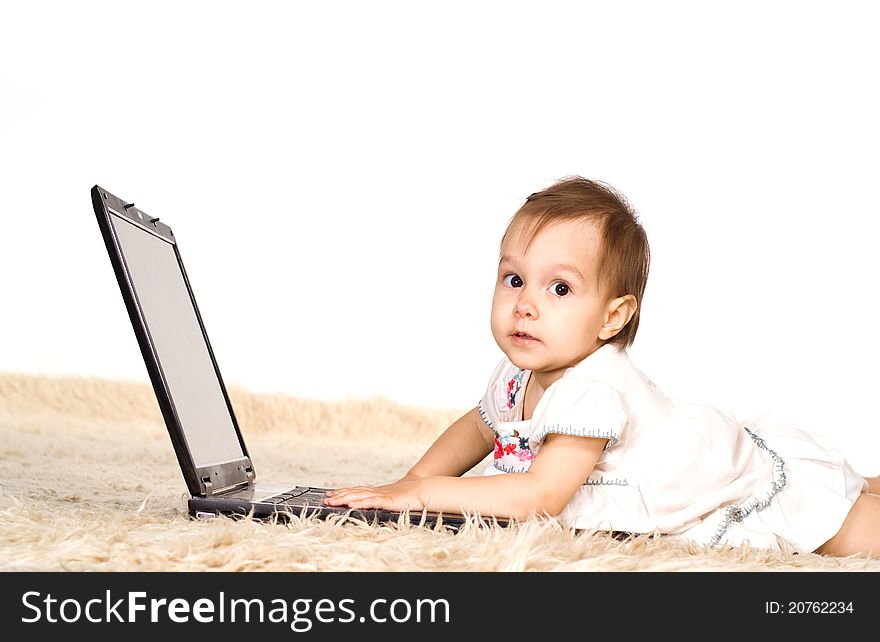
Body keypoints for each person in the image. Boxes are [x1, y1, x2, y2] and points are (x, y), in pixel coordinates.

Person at [324, 176, 880, 558]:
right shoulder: (517, 373)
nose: (525, 304)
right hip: (680, 444)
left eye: (559, 288)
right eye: (513, 278)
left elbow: (541, 497)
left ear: (612, 317)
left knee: (840, 524)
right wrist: (412, 480)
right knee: (853, 493)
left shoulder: (590, 389)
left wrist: (425, 496)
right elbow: (478, 426)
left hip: (704, 473)